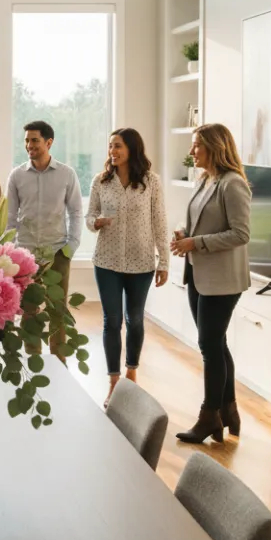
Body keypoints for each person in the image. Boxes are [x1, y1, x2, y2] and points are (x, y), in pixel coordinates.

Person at [169, 123, 252, 443]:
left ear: (215, 147)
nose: (192, 152)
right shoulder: (205, 180)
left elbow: (241, 234)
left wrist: (196, 243)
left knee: (209, 346)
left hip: (223, 280)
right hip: (199, 275)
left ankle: (209, 416)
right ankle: (228, 411)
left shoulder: (233, 185)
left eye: (196, 146)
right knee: (216, 344)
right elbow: (195, 219)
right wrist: (183, 234)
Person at [86, 129, 169, 407]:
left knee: (134, 318)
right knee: (112, 321)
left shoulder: (150, 182)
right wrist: (95, 222)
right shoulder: (101, 181)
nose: (113, 150)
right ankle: (113, 382)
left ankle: (132, 373)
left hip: (141, 261)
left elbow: (159, 222)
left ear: (132, 148)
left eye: (118, 146)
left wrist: (164, 261)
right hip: (106, 260)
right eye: (110, 146)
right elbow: (89, 215)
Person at [5, 120, 83, 357]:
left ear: (49, 142)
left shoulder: (67, 174)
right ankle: (32, 360)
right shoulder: (17, 175)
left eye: (35, 140)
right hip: (25, 254)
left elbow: (76, 212)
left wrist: (71, 246)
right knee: (29, 310)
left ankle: (59, 362)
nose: (29, 145)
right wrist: (10, 249)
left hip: (57, 252)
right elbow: (10, 216)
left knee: (56, 309)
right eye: (27, 140)